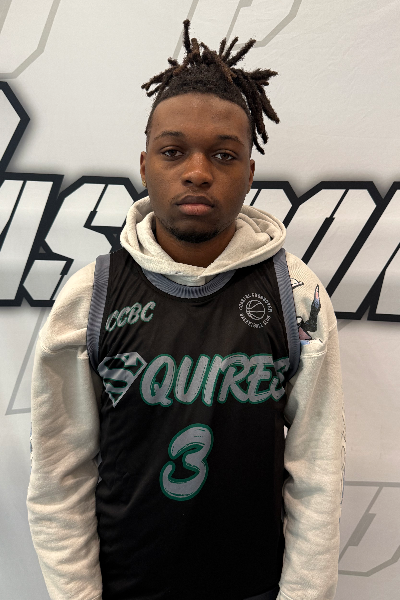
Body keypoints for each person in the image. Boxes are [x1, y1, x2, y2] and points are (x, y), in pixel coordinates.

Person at [27, 20, 346, 600]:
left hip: (254, 586)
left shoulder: (295, 292)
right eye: (174, 151)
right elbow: (58, 474)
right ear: (145, 164)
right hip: (126, 586)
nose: (198, 171)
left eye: (224, 155)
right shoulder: (91, 294)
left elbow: (317, 469)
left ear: (249, 173)